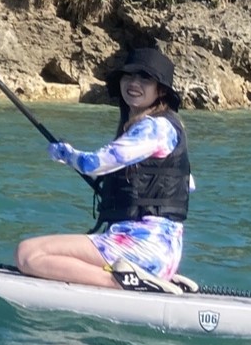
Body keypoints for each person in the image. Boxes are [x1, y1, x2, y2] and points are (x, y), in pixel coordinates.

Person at [15, 46, 198, 295]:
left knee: (28, 253)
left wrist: (66, 154)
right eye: (129, 76)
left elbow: (95, 163)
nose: (134, 83)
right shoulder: (166, 128)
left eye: (145, 78)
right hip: (162, 252)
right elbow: (184, 184)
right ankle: (147, 277)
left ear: (161, 90)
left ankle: (119, 281)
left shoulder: (154, 128)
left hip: (140, 246)